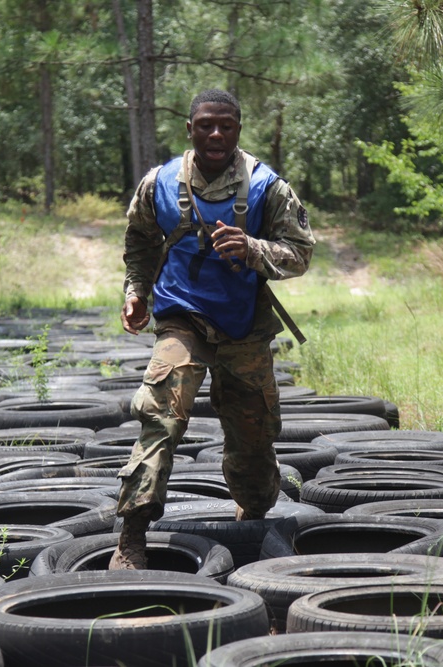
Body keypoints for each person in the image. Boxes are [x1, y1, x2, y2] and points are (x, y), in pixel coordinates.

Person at [110, 89, 315, 570]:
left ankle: (252, 521)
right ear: (190, 128)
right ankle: (132, 537)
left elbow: (300, 253)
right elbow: (139, 239)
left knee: (253, 440)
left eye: (226, 125)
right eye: (206, 124)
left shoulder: (268, 186)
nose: (216, 133)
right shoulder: (158, 182)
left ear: (238, 129)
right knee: (160, 415)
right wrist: (136, 291)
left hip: (244, 329)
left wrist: (252, 249)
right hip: (182, 320)